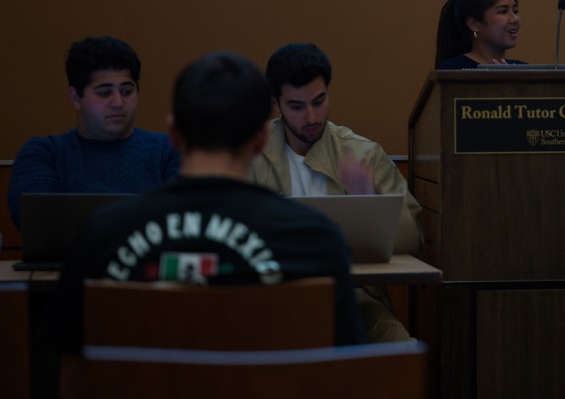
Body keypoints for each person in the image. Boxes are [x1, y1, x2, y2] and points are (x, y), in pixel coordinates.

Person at [44, 52, 366, 383]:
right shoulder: (316, 240)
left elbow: (70, 373)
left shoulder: (100, 235)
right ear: (261, 138)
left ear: (174, 133)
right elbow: (345, 374)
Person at [252, 42, 422, 342]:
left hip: (349, 295)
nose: (312, 116)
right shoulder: (251, 154)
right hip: (270, 294)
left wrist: (371, 203)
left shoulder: (362, 154)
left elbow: (414, 240)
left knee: (397, 343)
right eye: (297, 106)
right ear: (276, 104)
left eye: (319, 101)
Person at [7, 36, 180, 228]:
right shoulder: (44, 153)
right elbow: (39, 222)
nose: (118, 103)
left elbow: (186, 219)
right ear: (75, 98)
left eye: (126, 91)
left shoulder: (171, 149)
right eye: (104, 93)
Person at [435, 0, 527, 69]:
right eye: (503, 12)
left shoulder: (524, 69)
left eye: (515, 11)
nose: (514, 19)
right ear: (473, 24)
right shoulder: (454, 70)